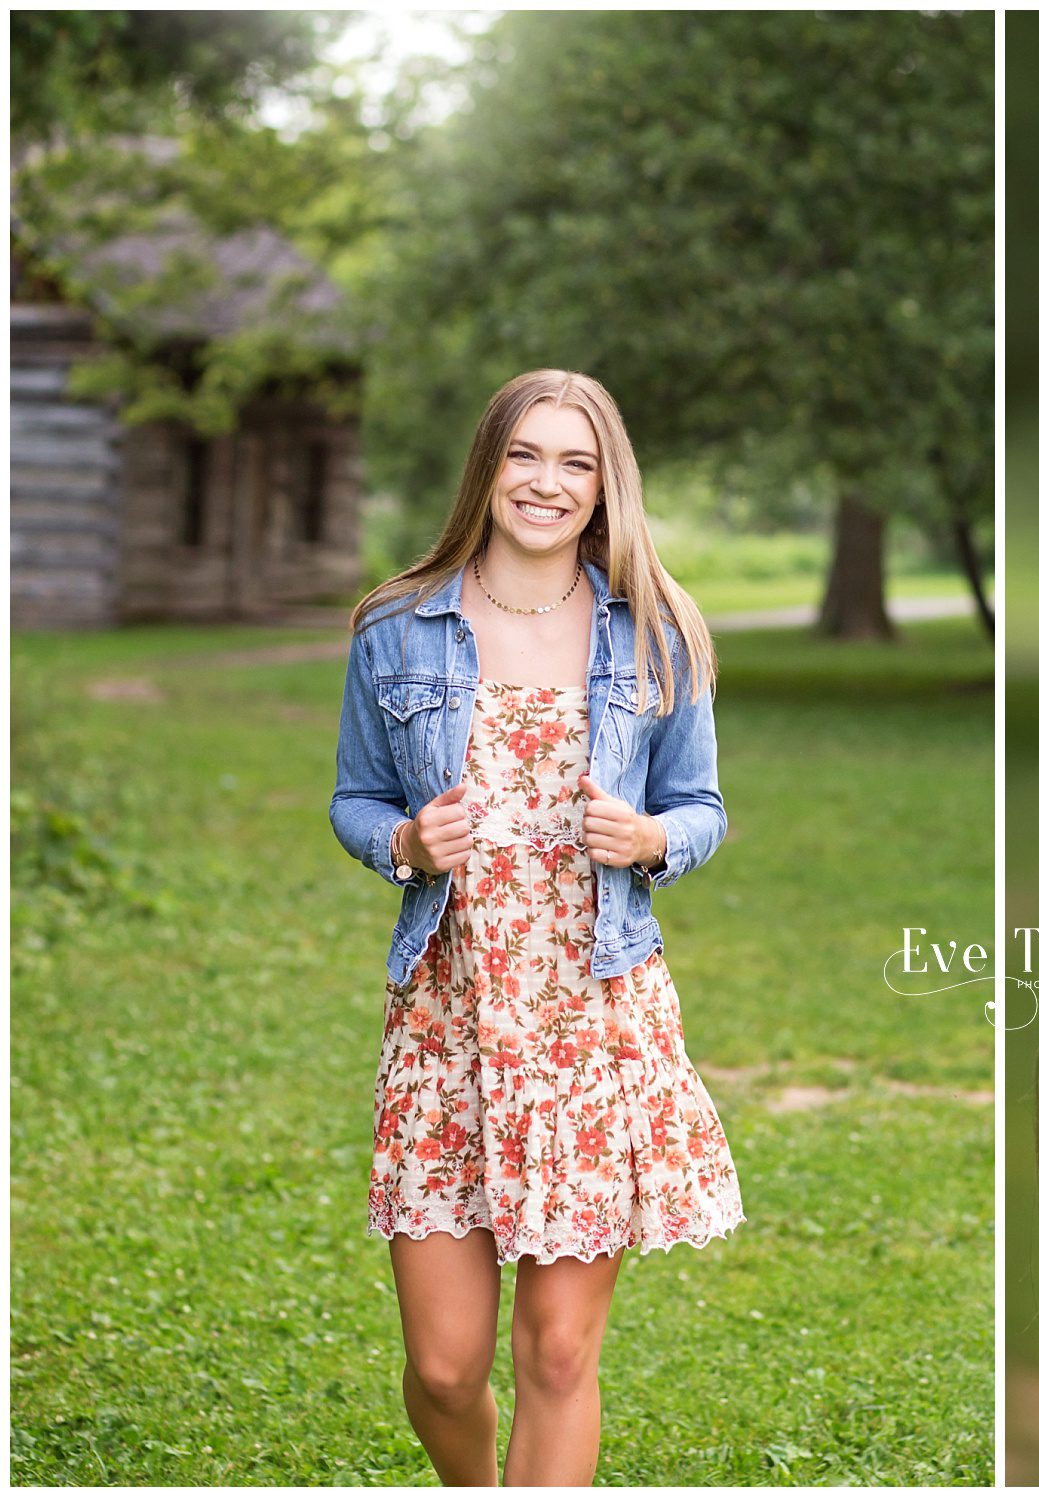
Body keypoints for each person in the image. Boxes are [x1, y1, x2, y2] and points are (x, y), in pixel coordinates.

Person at [330, 368, 745, 1484]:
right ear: (489, 468)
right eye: (525, 455)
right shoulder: (396, 630)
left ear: (604, 487)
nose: (546, 483)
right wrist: (405, 843)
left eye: (575, 462)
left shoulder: (653, 633)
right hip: (452, 1021)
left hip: (591, 1023)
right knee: (446, 1368)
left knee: (558, 1354)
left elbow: (702, 808)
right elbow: (355, 800)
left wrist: (651, 840)